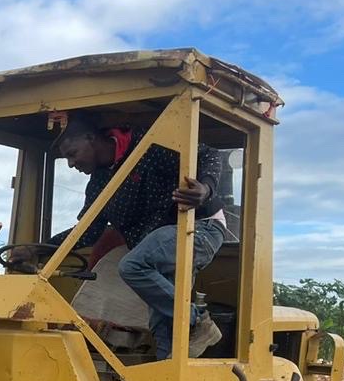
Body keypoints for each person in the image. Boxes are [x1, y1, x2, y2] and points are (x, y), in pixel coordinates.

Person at [18, 111, 226, 359]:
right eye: (67, 160)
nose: (72, 164)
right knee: (163, 330)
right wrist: (38, 249)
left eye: (72, 154)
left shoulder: (147, 147)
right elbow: (88, 230)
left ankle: (198, 321)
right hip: (157, 244)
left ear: (90, 138)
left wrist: (206, 188)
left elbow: (208, 154)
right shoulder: (99, 184)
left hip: (199, 228)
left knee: (133, 265)